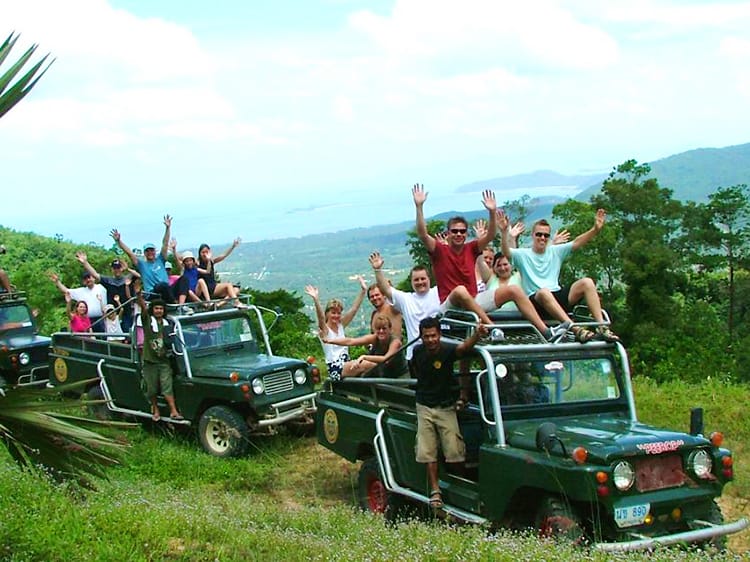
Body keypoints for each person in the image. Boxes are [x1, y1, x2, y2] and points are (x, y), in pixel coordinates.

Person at [500, 209, 619, 343]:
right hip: (536, 302)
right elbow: (506, 251)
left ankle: (602, 327)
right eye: (539, 234)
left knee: (587, 282)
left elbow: (577, 242)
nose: (542, 238)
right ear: (533, 235)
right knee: (544, 292)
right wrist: (504, 232)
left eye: (546, 235)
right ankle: (576, 330)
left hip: (556, 296)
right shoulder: (523, 254)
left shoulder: (555, 251)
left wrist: (595, 229)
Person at [412, 316, 486, 509]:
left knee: (454, 450)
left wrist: (477, 335)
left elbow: (464, 349)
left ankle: (463, 485)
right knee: (427, 450)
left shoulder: (447, 350)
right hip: (425, 405)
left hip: (446, 406)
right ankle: (435, 491)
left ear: (439, 335)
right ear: (421, 337)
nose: (430, 340)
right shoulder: (417, 352)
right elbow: (415, 373)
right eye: (426, 336)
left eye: (433, 336)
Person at [412, 184, 504, 334]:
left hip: (473, 301)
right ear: (448, 233)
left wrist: (492, 212)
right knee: (460, 290)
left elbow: (491, 235)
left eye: (462, 231)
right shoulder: (440, 250)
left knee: (513, 291)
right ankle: (492, 328)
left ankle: (545, 331)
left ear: (466, 234)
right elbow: (422, 234)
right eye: (454, 231)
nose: (459, 234)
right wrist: (419, 207)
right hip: (450, 305)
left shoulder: (472, 248)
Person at [369, 252, 441, 362]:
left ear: (429, 279)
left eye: (423, 279)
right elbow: (386, 289)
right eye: (416, 280)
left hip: (438, 350)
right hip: (415, 354)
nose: (420, 282)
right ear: (411, 282)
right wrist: (378, 270)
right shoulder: (406, 299)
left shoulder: (438, 292)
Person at [134, 279, 182, 421]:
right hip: (150, 361)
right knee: (152, 389)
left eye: (161, 308)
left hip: (164, 361)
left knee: (167, 386)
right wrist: (139, 296)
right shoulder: (148, 321)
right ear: (153, 310)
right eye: (156, 308)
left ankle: (173, 411)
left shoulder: (169, 324)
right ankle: (155, 409)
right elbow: (143, 308)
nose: (159, 311)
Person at [305, 278, 367, 381]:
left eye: (338, 313)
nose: (336, 315)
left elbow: (354, 309)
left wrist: (363, 291)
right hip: (336, 367)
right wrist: (316, 300)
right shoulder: (325, 330)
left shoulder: (340, 325)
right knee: (367, 364)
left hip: (346, 362)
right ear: (327, 313)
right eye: (333, 312)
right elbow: (320, 317)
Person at [111, 215, 174, 303]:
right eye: (147, 251)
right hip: (153, 293)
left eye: (151, 250)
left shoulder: (161, 259)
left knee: (183, 280)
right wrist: (118, 241)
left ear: (155, 251)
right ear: (144, 253)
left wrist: (167, 228)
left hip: (166, 290)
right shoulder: (142, 265)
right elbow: (129, 253)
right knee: (163, 285)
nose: (150, 253)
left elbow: (165, 243)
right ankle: (174, 304)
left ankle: (182, 305)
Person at [320, 314, 406, 378]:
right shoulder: (375, 338)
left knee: (368, 366)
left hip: (398, 374)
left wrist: (364, 357)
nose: (381, 331)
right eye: (378, 329)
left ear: (390, 329)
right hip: (382, 371)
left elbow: (385, 359)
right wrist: (330, 341)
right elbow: (351, 341)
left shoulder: (395, 342)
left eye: (384, 328)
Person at [76, 252, 135, 332]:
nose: (117, 270)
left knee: (127, 333)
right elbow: (95, 274)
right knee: (112, 334)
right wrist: (85, 262)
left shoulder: (128, 277)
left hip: (127, 312)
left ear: (122, 268)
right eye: (115, 268)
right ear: (112, 269)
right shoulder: (108, 280)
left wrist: (128, 269)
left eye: (118, 267)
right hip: (112, 313)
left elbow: (140, 276)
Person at [197, 238, 243, 305]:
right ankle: (237, 302)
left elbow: (223, 256)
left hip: (213, 286)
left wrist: (233, 246)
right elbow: (207, 271)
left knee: (236, 290)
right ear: (199, 253)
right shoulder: (197, 263)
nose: (205, 254)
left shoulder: (212, 261)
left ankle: (220, 304)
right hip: (206, 289)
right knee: (228, 285)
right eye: (203, 252)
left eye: (207, 252)